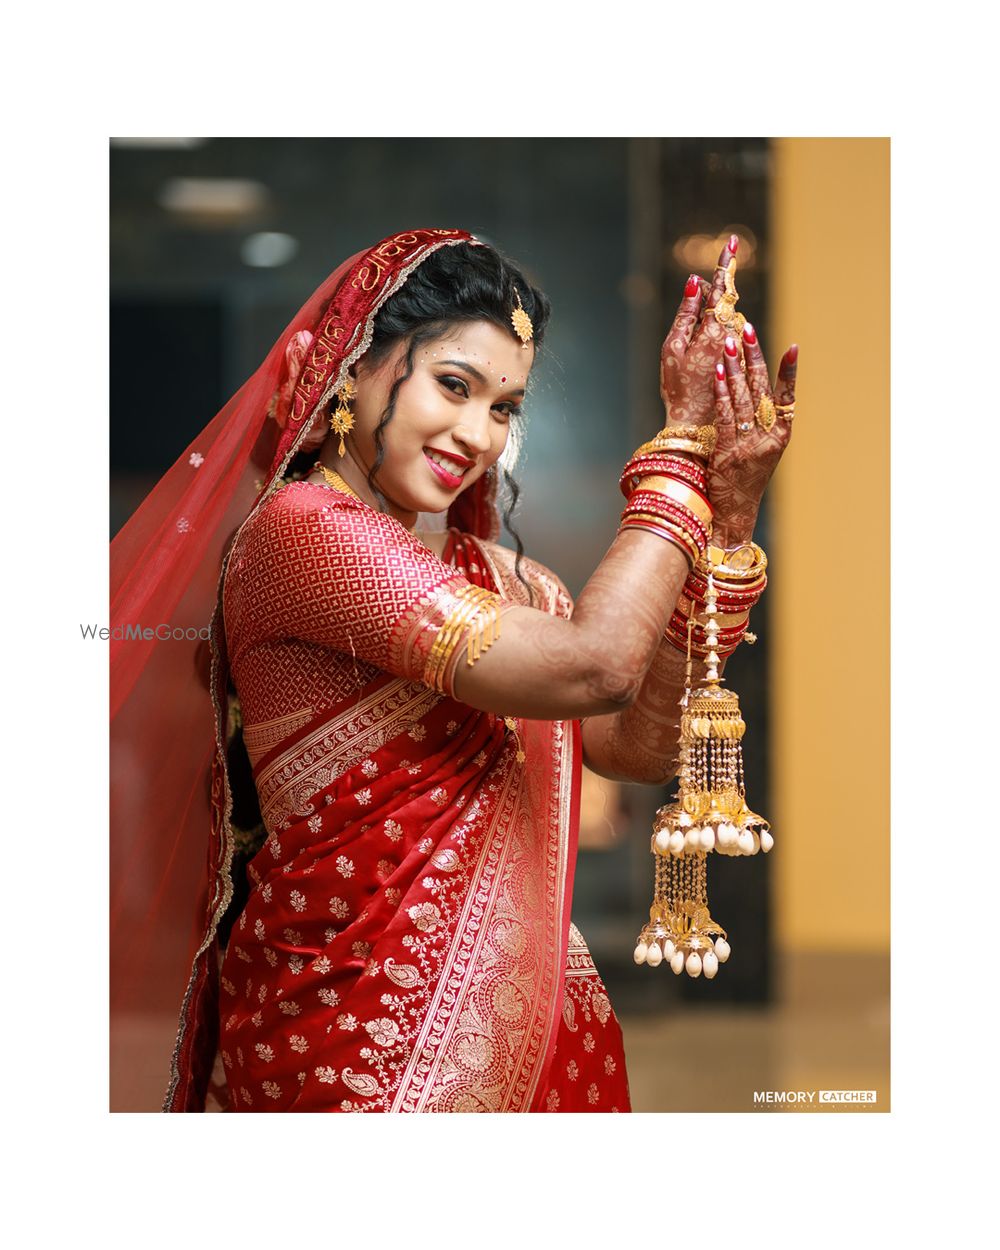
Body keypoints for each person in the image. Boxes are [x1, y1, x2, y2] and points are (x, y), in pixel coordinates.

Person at [110, 226, 796, 1113]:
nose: (478, 435)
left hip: (539, 1042)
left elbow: (634, 746)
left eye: (504, 408)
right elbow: (595, 668)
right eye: (454, 385)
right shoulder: (302, 534)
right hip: (355, 1052)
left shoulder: (511, 584)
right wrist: (681, 457)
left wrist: (727, 529)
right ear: (353, 369)